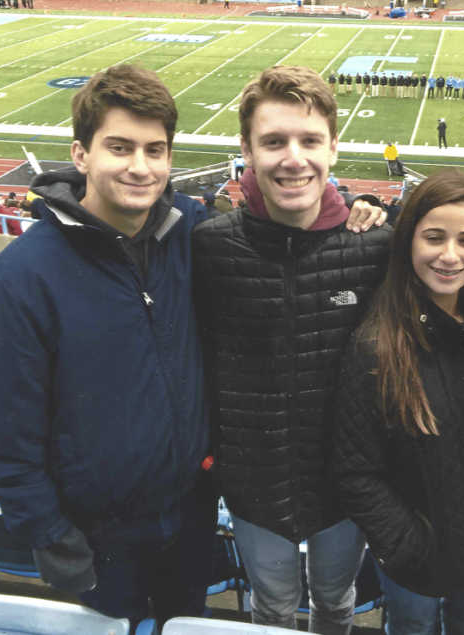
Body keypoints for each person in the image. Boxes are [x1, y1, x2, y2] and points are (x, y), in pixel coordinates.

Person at [0, 65, 217, 627]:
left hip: (190, 511)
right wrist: (49, 533)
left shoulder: (186, 234)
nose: (140, 166)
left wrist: (355, 208)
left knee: (185, 623)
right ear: (81, 155)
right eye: (120, 147)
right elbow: (4, 437)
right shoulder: (19, 279)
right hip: (97, 533)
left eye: (156, 150)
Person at [191, 65, 389, 633]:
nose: (292, 158)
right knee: (271, 607)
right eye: (273, 142)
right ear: (247, 150)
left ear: (333, 147)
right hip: (254, 481)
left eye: (309, 141)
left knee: (336, 600)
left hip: (343, 484)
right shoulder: (209, 246)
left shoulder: (374, 246)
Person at [332, 170, 464, 635]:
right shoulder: (376, 343)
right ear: (408, 241)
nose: (450, 256)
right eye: (434, 237)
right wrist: (408, 544)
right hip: (419, 554)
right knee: (411, 625)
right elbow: (354, 470)